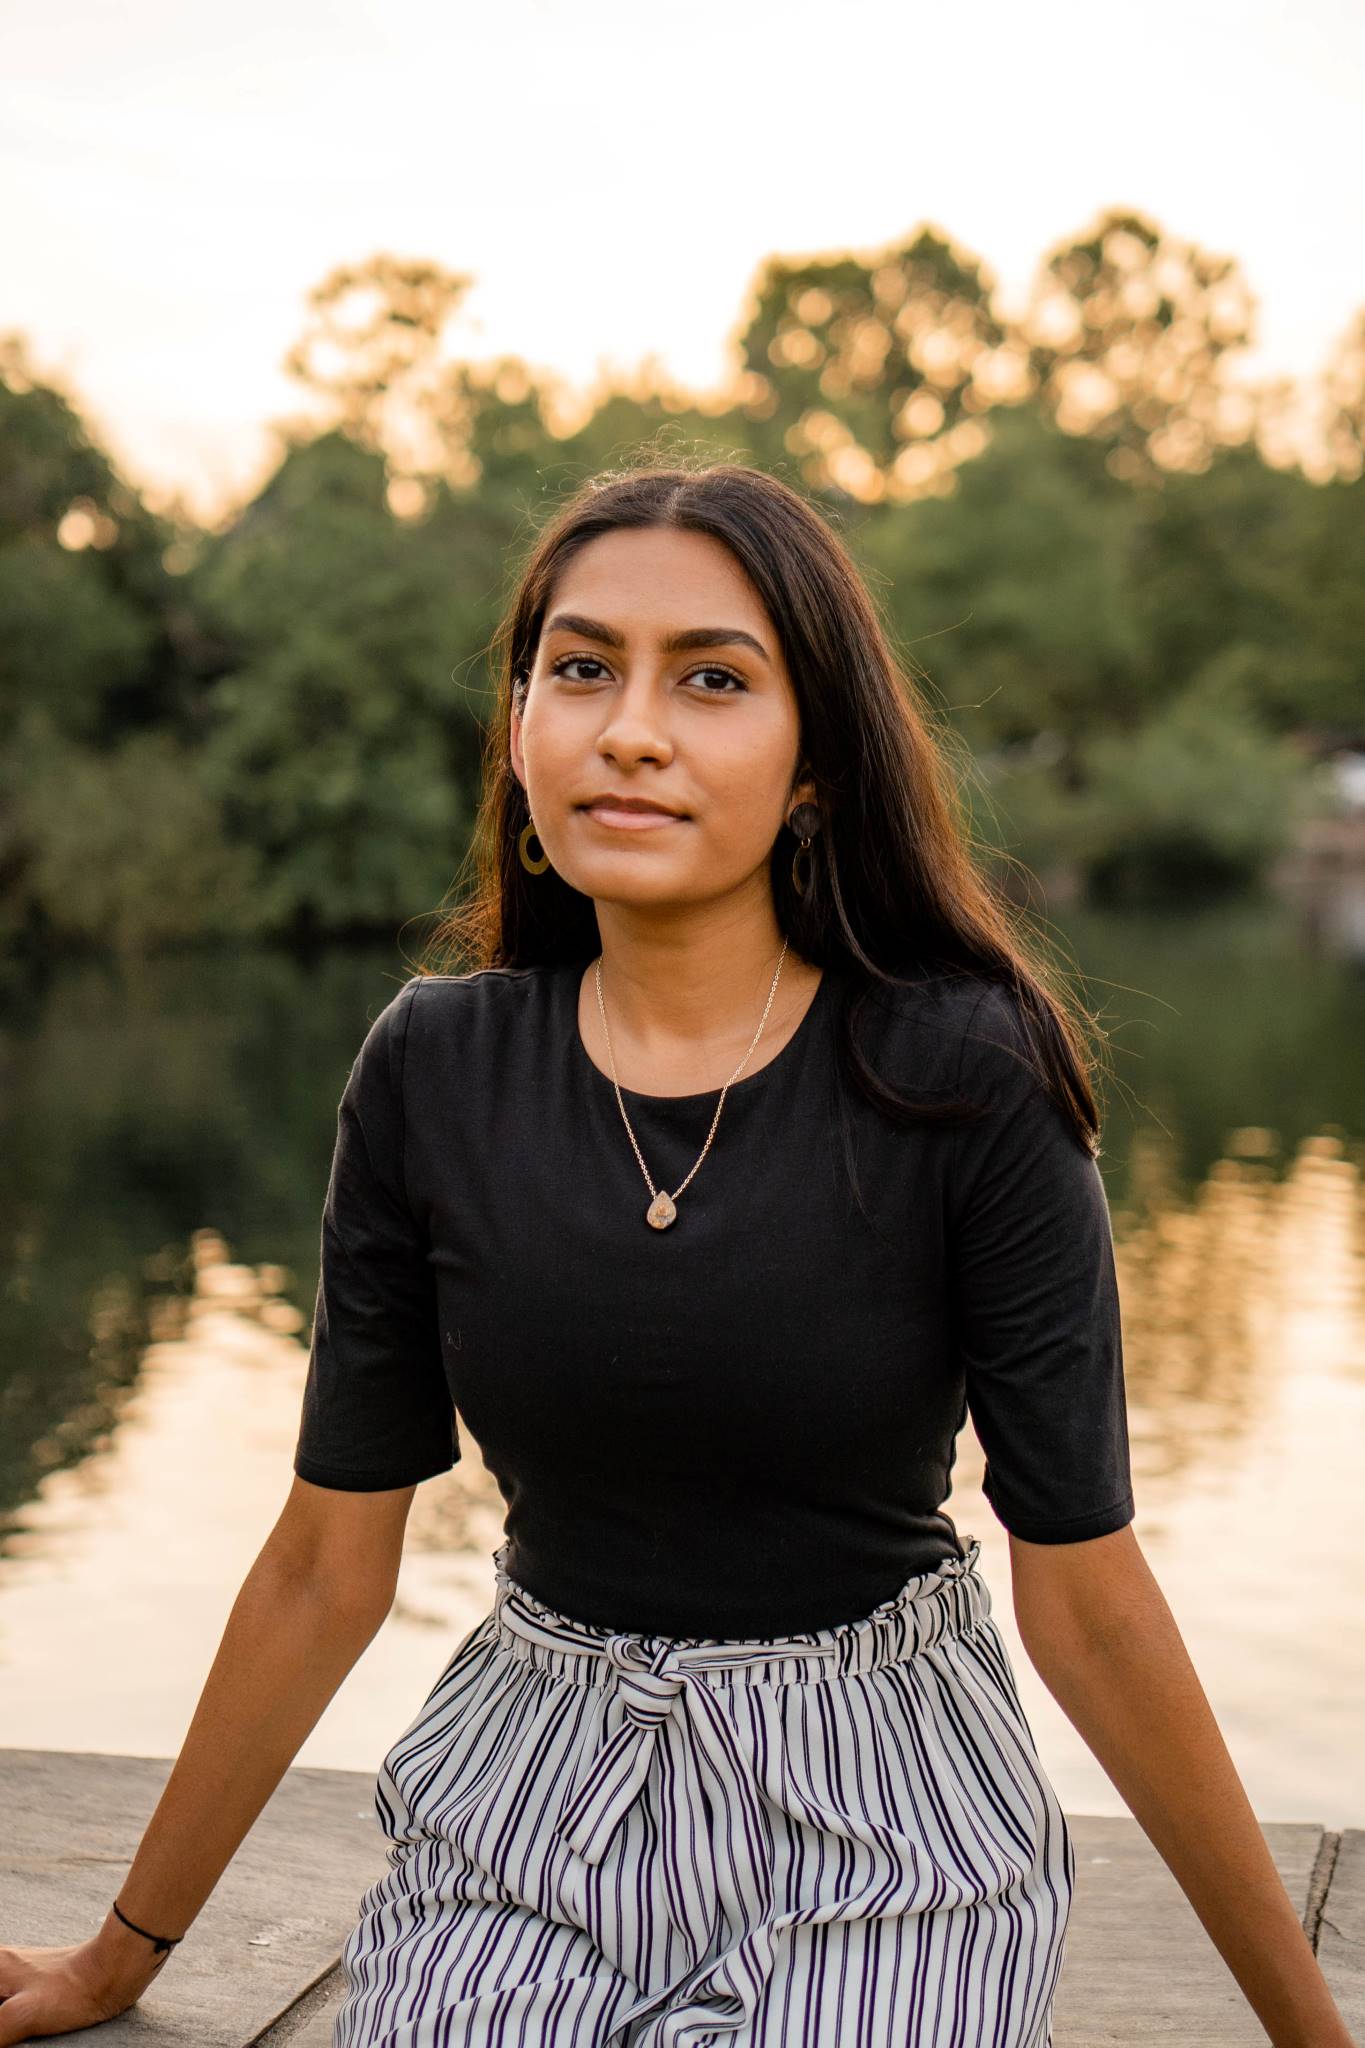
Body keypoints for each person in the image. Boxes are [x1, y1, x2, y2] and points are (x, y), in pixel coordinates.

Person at [0, 459, 1353, 2048]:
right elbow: (322, 1567)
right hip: (529, 1800)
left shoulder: (960, 1073)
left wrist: (1308, 2035)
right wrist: (119, 1957)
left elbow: (1089, 1601)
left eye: (711, 679)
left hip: (880, 1818)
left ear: (814, 763)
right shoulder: (433, 1072)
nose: (630, 729)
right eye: (581, 669)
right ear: (521, 727)